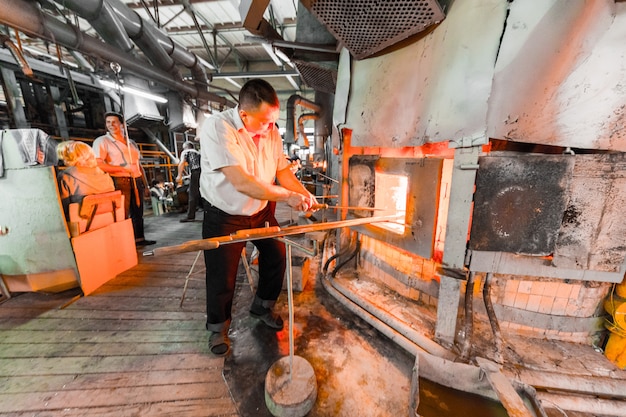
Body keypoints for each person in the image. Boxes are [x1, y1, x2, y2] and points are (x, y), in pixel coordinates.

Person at [199, 78, 317, 356]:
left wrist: (304, 194)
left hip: (261, 210)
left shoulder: (270, 131)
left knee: (276, 255)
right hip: (225, 213)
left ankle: (262, 306)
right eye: (265, 121)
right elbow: (241, 182)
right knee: (223, 276)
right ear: (244, 115)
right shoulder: (219, 128)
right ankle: (218, 329)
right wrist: (288, 197)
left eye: (274, 121)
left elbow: (282, 171)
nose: (271, 127)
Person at [92, 111, 156, 247]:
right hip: (119, 181)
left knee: (138, 212)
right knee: (122, 213)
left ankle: (139, 239)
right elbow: (99, 163)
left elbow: (138, 164)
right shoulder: (103, 141)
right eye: (108, 122)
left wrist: (145, 185)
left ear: (122, 124)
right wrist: (122, 169)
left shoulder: (131, 142)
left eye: (114, 122)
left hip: (136, 179)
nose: (111, 125)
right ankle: (123, 243)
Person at [56, 141, 115, 218]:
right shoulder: (104, 174)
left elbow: (62, 209)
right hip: (108, 220)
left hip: (81, 226)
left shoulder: (65, 176)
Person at [176, 140, 201, 222]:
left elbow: (181, 163)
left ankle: (190, 216)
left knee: (192, 193)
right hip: (204, 173)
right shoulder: (197, 152)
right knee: (202, 192)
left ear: (186, 147)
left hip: (196, 172)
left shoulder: (186, 151)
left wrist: (179, 175)